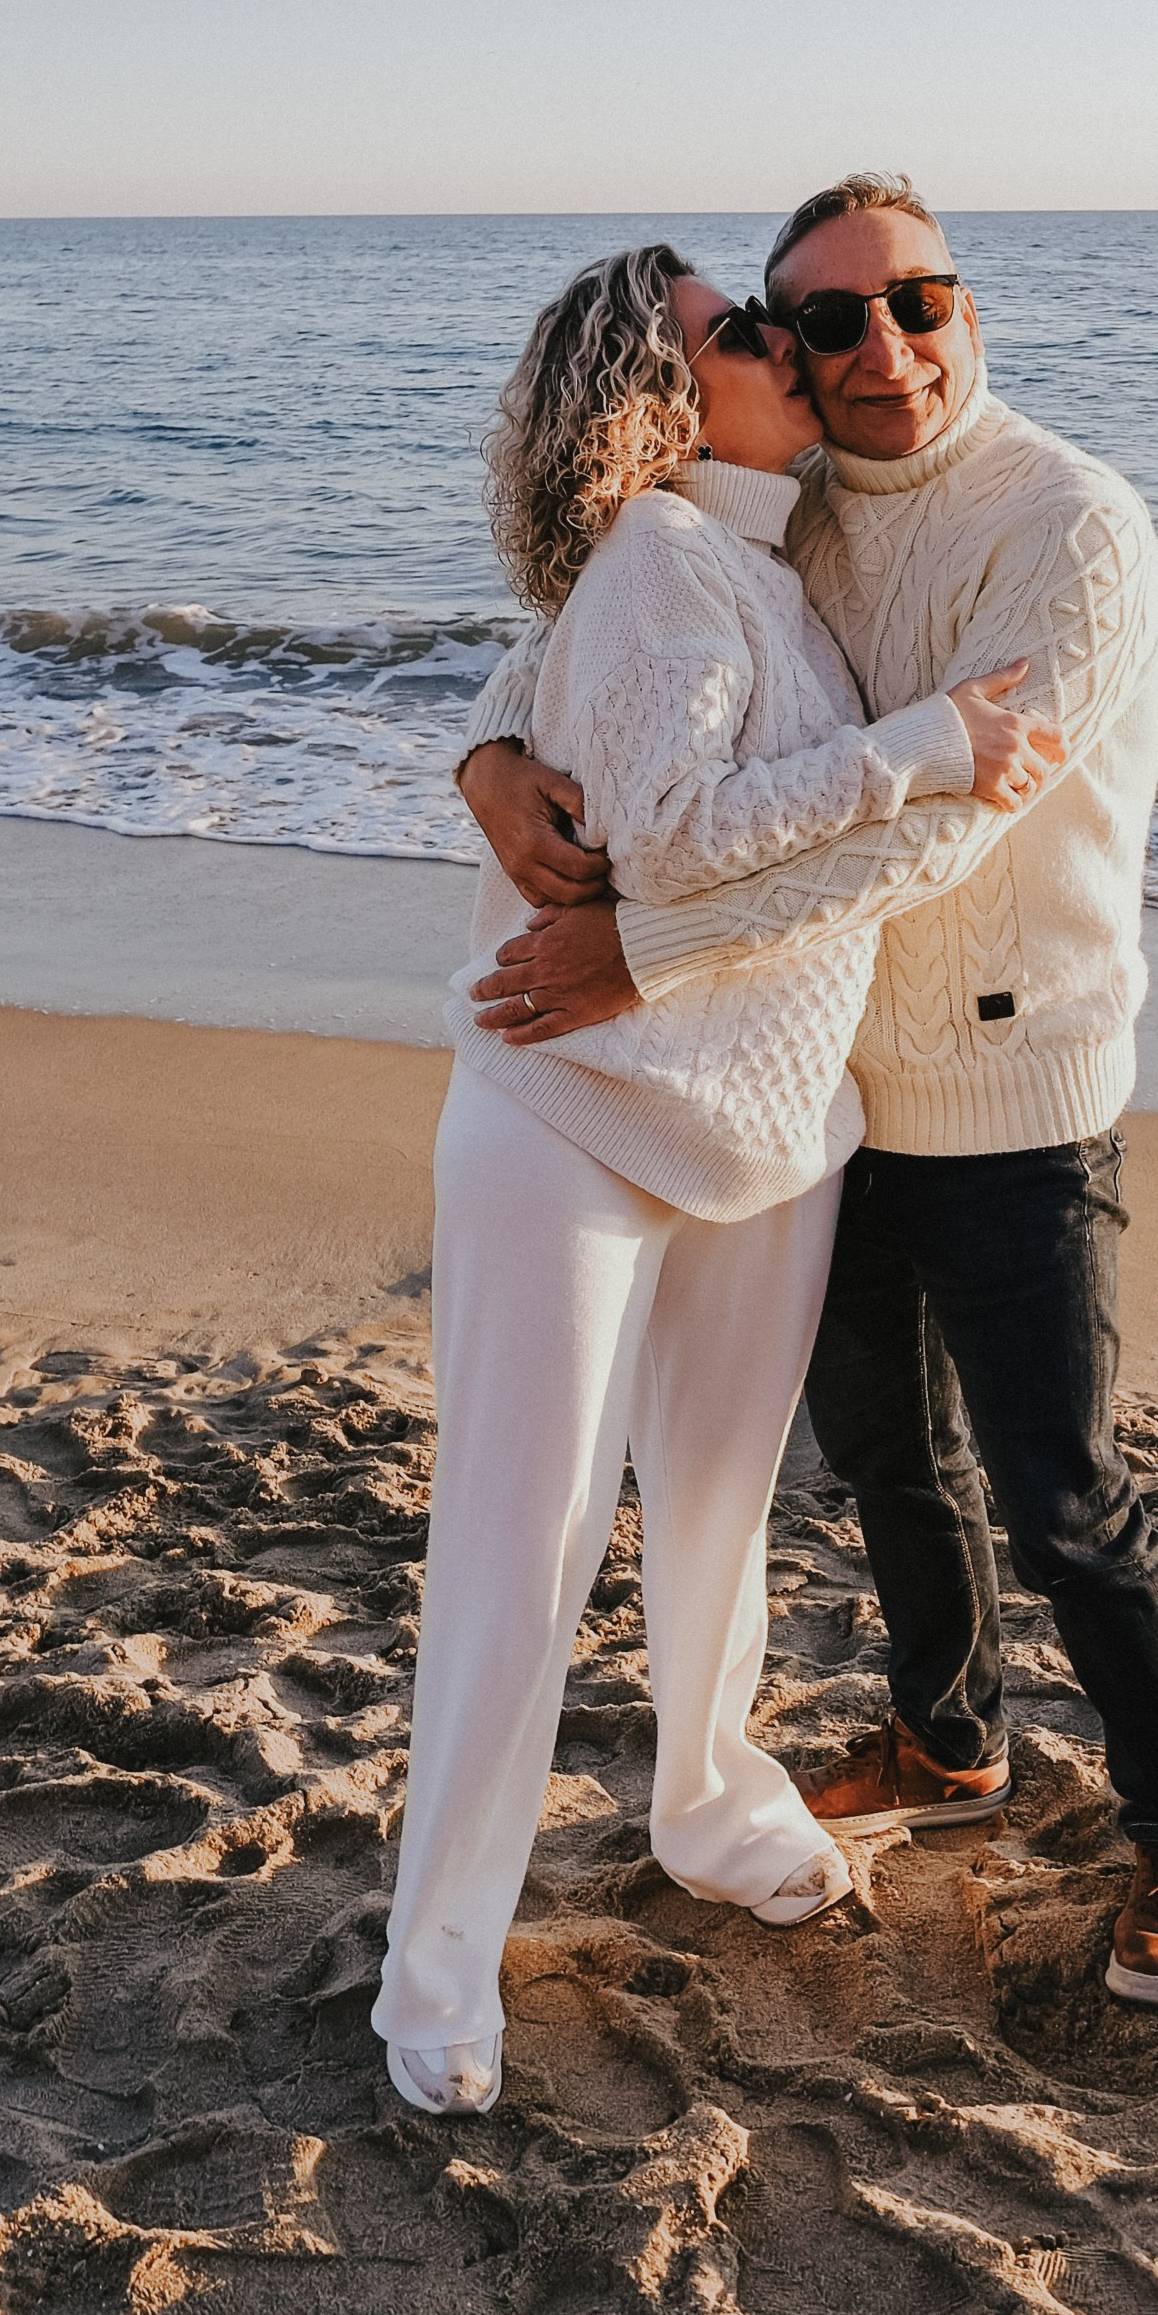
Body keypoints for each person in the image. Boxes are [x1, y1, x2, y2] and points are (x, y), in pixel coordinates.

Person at [456, 174, 1158, 2009]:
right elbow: (604, 606)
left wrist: (639, 954)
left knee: (1061, 1488)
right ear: (785, 351)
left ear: (970, 307)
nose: (877, 348)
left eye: (916, 299)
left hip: (1013, 1075)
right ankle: (947, 1738)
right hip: (821, 1088)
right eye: (819, 319)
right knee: (886, 1452)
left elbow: (952, 817)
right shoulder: (796, 499)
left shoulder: (1074, 529)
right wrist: (489, 754)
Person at [373, 241, 1052, 2114]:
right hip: (575, 1115)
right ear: (664, 402)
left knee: (718, 1518)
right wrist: (930, 748)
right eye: (746, 330)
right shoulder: (674, 553)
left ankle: (703, 1799)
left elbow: (559, 682)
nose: (791, 347)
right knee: (523, 1549)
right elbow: (670, 845)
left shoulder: (764, 550)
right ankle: (434, 1971)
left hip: (764, 1130)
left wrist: (484, 743)